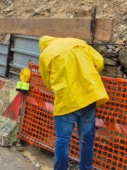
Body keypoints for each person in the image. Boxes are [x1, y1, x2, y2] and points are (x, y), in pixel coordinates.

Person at [38, 36, 109, 170]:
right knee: (87, 140)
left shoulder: (46, 55)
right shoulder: (78, 42)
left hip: (66, 101)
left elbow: (47, 82)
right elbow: (99, 62)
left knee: (63, 140)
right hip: (88, 96)